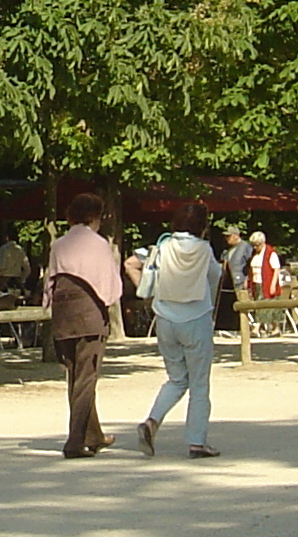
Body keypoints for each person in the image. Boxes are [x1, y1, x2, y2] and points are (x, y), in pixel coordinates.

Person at [137, 201, 222, 459]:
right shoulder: (204, 249)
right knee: (198, 384)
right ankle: (197, 441)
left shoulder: (163, 246)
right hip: (195, 318)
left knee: (176, 378)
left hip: (165, 318)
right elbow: (216, 276)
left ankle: (153, 420)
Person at [49, 193, 122, 457]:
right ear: (94, 217)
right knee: (87, 377)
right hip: (89, 313)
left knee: (75, 376)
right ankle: (75, 440)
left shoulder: (59, 245)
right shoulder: (98, 243)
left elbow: (50, 281)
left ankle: (94, 434)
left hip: (63, 314)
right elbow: (108, 282)